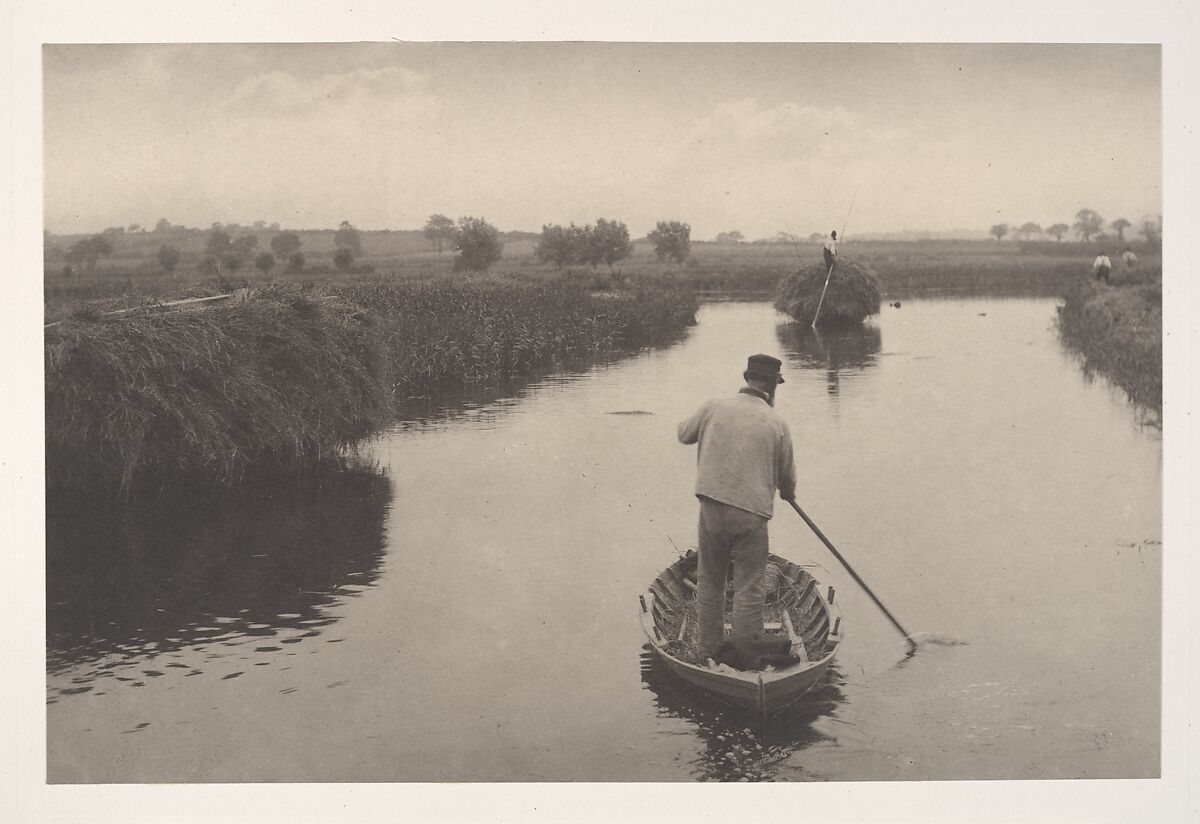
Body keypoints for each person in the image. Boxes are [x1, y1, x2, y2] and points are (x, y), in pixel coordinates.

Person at [677, 354, 797, 664]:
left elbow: (684, 434)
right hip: (751, 515)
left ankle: (708, 650)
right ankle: (743, 653)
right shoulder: (777, 422)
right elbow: (787, 479)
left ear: (747, 378)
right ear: (771, 386)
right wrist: (788, 492)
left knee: (710, 579)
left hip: (712, 507)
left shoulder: (714, 406)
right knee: (749, 583)